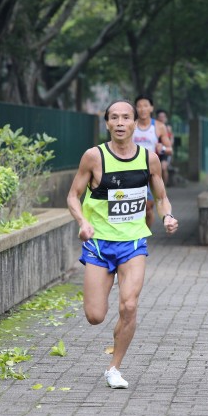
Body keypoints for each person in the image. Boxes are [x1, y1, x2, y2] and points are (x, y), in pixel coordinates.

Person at [67, 100, 178, 389]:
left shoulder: (149, 159)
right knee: (95, 316)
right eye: (114, 118)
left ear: (134, 123)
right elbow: (73, 196)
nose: (120, 123)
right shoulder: (94, 157)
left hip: (132, 242)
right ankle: (107, 314)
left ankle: (114, 367)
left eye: (125, 117)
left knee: (129, 305)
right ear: (107, 123)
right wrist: (83, 221)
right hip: (99, 244)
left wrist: (167, 216)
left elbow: (162, 197)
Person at [132, 95, 173, 228]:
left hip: (150, 171)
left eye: (145, 105)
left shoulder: (159, 126)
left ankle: (144, 234)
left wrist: (163, 148)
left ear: (151, 108)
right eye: (139, 106)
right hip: (131, 170)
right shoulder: (131, 125)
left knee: (148, 208)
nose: (142, 109)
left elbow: (170, 150)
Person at [156, 109, 175, 186]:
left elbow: (171, 141)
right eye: (160, 117)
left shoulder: (168, 128)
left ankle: (164, 187)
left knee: (163, 168)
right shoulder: (154, 127)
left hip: (165, 151)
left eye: (163, 117)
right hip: (155, 151)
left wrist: (168, 148)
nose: (161, 118)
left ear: (166, 118)